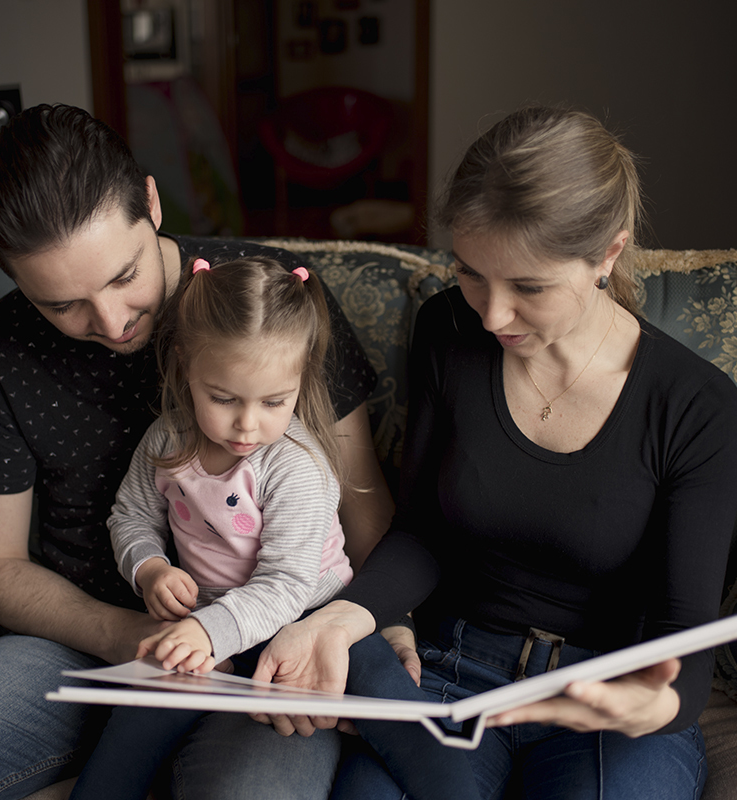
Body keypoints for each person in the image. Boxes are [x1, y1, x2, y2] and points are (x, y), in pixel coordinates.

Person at [0, 104, 397, 800]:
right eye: (63, 304)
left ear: (149, 203)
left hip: (268, 638)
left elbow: (361, 497)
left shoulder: (265, 303)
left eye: (124, 277)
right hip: (76, 644)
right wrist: (123, 634)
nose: (113, 323)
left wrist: (384, 625)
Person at [250, 105, 737, 799]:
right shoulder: (447, 330)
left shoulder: (695, 405)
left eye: (529, 287)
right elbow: (423, 530)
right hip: (449, 666)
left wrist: (652, 705)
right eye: (471, 273)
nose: (491, 314)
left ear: (608, 254)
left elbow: (684, 636)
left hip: (602, 696)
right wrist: (341, 617)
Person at [70, 257, 479, 800]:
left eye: (273, 402)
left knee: (404, 718)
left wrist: (211, 631)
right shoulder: (166, 442)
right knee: (134, 721)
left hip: (315, 613)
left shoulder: (295, 465)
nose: (247, 424)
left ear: (300, 380)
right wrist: (149, 566)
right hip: (211, 621)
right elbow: (131, 515)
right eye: (223, 398)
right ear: (185, 364)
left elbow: (286, 585)